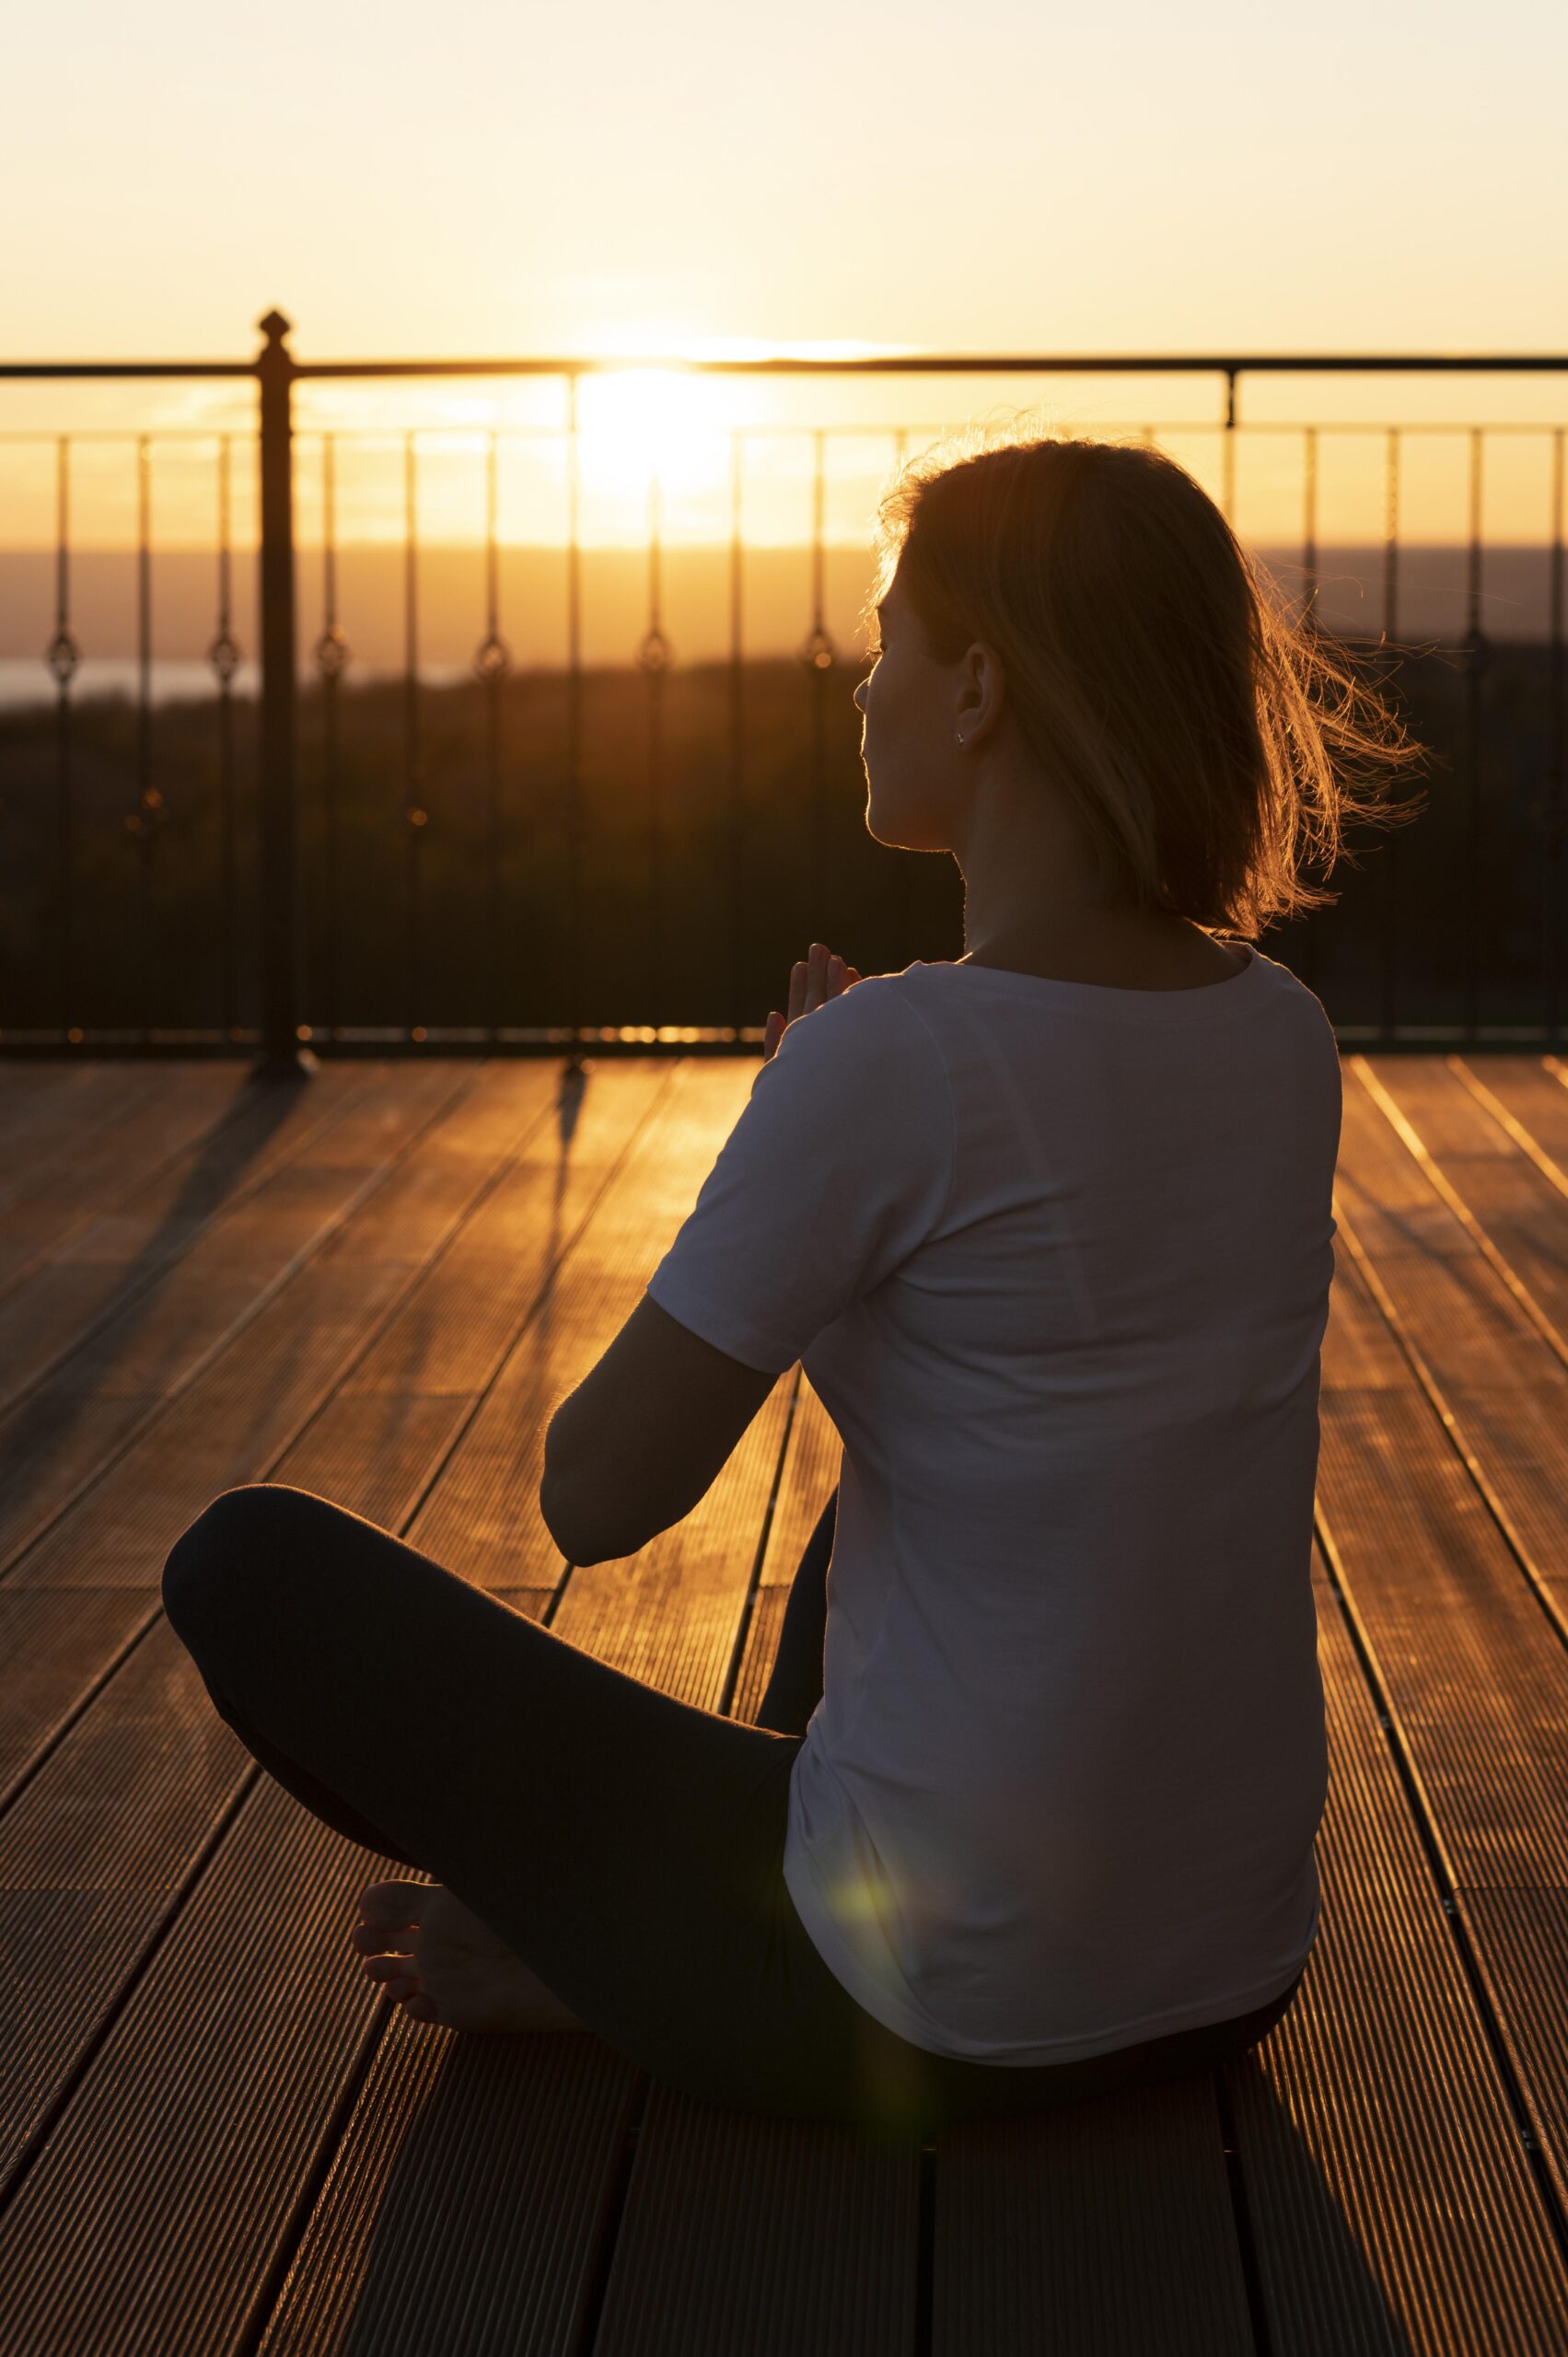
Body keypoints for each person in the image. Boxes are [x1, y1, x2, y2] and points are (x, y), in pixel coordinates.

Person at [161, 428, 1423, 2138]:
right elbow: (1032, 1351)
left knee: (247, 1567)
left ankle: (629, 1966)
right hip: (1219, 1975)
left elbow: (594, 1498)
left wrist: (803, 1152)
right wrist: (851, 1236)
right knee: (925, 1490)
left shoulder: (888, 1059)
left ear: (977, 689)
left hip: (938, 2009)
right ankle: (656, 1950)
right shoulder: (1280, 1032)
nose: (863, 680)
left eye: (889, 639)